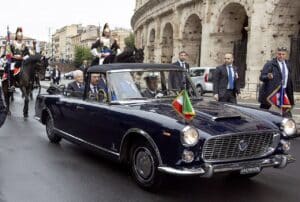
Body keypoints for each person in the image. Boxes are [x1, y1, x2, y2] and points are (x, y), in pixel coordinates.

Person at [258, 47, 294, 117]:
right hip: (271, 92)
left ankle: (288, 126)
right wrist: (267, 77)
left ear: (286, 55)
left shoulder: (288, 65)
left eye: (283, 54)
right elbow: (261, 77)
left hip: (284, 92)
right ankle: (260, 125)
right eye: (279, 54)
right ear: (276, 54)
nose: (281, 56)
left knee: (287, 112)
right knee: (263, 112)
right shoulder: (270, 64)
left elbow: (288, 78)